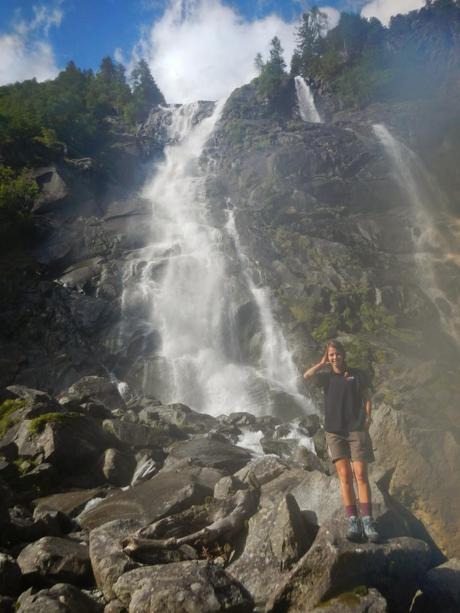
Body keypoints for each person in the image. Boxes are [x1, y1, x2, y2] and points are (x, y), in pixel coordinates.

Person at [303, 339, 379, 543]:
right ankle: (353, 521)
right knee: (345, 476)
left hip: (355, 430)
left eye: (337, 353)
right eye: (331, 355)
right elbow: (306, 376)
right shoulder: (326, 378)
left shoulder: (357, 374)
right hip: (334, 433)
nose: (334, 357)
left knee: (361, 475)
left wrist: (368, 418)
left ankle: (368, 521)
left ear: (344, 354)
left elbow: (367, 397)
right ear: (328, 357)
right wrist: (321, 364)